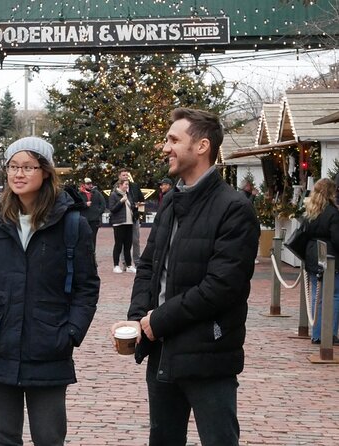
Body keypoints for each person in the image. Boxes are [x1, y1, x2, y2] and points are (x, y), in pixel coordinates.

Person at [111, 108, 259, 446]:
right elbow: (148, 266)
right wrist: (137, 320)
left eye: (173, 140)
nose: (165, 148)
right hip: (162, 352)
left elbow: (222, 286)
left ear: (203, 145)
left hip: (210, 355)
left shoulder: (234, 207)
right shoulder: (170, 202)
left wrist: (157, 321)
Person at [0, 136, 100, 445]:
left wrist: (72, 332)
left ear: (46, 172)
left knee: (49, 438)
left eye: (27, 166)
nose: (18, 174)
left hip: (49, 344)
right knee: (5, 438)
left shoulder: (71, 223)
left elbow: (86, 286)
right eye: (13, 166)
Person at [299, 178, 339, 345]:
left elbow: (304, 233)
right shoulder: (332, 213)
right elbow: (337, 239)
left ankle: (316, 333)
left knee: (317, 296)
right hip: (329, 256)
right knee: (334, 295)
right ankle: (328, 333)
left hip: (312, 254)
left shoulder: (310, 211)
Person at [118, 168, 145, 267]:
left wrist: (139, 208)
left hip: (134, 217)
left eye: (127, 175)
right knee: (123, 240)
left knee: (136, 240)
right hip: (122, 218)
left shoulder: (134, 186)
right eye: (123, 175)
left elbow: (142, 199)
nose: (126, 177)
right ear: (119, 177)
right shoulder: (116, 188)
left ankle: (137, 261)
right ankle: (125, 261)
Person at [108, 177, 136, 274]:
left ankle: (129, 265)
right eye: (125, 184)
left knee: (128, 245)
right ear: (120, 185)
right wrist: (121, 202)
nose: (127, 186)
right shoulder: (114, 195)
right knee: (118, 244)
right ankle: (116, 265)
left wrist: (135, 206)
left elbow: (131, 205)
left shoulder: (128, 194)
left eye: (128, 184)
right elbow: (112, 209)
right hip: (119, 223)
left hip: (129, 222)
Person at [79, 177, 106, 249]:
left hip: (94, 220)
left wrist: (98, 213)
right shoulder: (79, 194)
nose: (90, 185)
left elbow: (103, 204)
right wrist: (85, 204)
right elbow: (76, 205)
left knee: (93, 237)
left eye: (91, 183)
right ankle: (85, 254)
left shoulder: (97, 193)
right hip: (83, 219)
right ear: (83, 185)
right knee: (84, 237)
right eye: (88, 184)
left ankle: (92, 255)